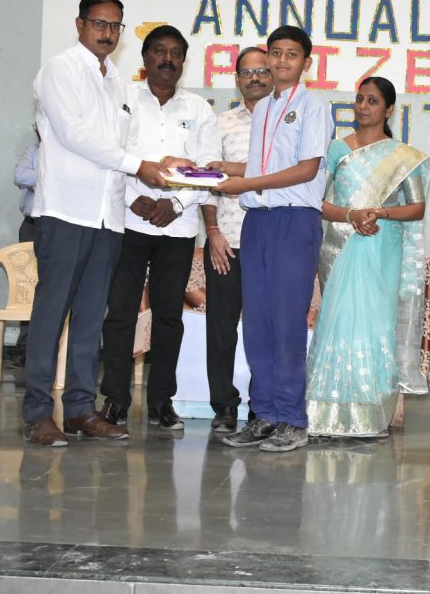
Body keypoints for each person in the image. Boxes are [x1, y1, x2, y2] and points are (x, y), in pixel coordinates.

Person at [23, 0, 168, 447]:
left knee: (91, 318)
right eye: (99, 23)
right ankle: (37, 413)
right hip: (66, 210)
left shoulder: (118, 83)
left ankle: (80, 410)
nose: (107, 33)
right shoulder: (60, 70)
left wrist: (163, 169)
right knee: (51, 315)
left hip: (108, 217)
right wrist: (138, 165)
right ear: (80, 24)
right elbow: (74, 135)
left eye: (114, 26)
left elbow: (128, 147)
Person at [216, 25, 334, 452]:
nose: (282, 60)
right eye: (276, 53)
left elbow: (306, 169)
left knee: (286, 321)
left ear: (306, 63)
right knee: (258, 323)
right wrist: (218, 169)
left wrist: (246, 183)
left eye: (292, 54)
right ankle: (264, 414)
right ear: (267, 58)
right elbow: (260, 167)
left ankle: (292, 419)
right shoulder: (264, 107)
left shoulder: (314, 107)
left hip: (294, 220)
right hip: (258, 222)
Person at [99, 24, 217, 432]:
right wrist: (133, 198)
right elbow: (110, 155)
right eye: (159, 51)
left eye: (175, 53)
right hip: (128, 222)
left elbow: (209, 170)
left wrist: (176, 203)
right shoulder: (123, 99)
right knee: (120, 314)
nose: (167, 59)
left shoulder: (199, 109)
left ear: (183, 61)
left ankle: (161, 402)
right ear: (145, 58)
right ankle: (115, 400)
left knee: (169, 316)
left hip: (178, 227)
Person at [306, 77, 429, 437]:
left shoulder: (404, 157)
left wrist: (379, 212)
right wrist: (351, 215)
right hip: (338, 246)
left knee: (374, 325)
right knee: (338, 323)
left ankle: (371, 414)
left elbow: (417, 208)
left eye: (373, 101)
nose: (363, 106)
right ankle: (325, 413)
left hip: (381, 246)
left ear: (389, 109)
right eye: (359, 99)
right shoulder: (336, 150)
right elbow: (316, 201)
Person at [198, 47, 273, 434]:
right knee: (221, 328)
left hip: (271, 241)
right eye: (247, 72)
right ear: (237, 79)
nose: (255, 78)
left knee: (265, 329)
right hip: (226, 240)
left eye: (262, 71)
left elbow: (286, 172)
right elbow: (208, 182)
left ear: (273, 74)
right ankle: (224, 406)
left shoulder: (285, 123)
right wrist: (212, 232)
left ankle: (263, 405)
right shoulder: (221, 124)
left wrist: (237, 172)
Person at [12, 130, 39, 367]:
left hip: (60, 228)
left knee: (59, 287)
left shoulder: (70, 154)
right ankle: (26, 348)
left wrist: (35, 182)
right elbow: (20, 175)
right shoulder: (33, 151)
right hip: (31, 225)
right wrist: (46, 179)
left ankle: (58, 349)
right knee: (26, 286)